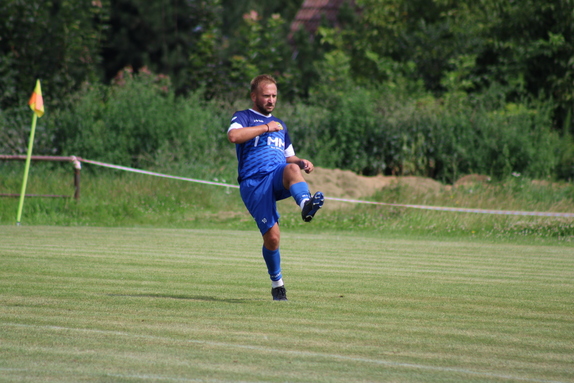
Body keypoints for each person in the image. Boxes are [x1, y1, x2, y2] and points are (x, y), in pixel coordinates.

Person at [227, 74, 324, 301]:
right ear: (254, 96)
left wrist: (301, 162)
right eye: (266, 95)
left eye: (274, 96)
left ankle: (305, 204)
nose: (271, 100)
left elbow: (289, 157)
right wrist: (264, 128)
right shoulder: (244, 117)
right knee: (272, 238)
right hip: (254, 183)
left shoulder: (280, 125)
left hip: (276, 175)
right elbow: (233, 136)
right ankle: (277, 284)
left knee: (292, 170)